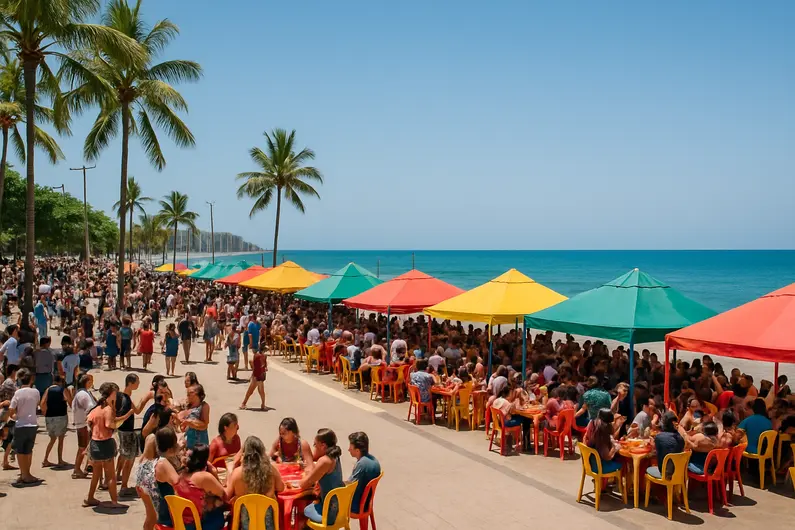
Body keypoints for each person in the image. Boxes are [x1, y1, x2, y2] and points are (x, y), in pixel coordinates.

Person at [84, 382, 133, 508]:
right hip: (105, 444)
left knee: (96, 474)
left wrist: (124, 416)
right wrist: (119, 422)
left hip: (94, 443)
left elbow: (89, 421)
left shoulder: (97, 408)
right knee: (110, 475)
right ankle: (114, 502)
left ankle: (90, 498)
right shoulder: (108, 409)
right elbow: (109, 424)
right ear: (112, 393)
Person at [225, 436, 285, 530]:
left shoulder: (237, 473)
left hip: (246, 526)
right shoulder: (270, 470)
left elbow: (226, 496)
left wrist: (231, 470)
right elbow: (281, 488)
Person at [297, 429, 345, 525]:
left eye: (315, 445)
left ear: (323, 446)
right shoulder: (334, 456)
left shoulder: (325, 461)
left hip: (329, 512)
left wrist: (307, 473)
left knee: (303, 511)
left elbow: (304, 484)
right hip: (340, 506)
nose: (314, 447)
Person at [175, 443, 226, 530]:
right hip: (197, 524)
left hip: (180, 521)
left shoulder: (181, 472)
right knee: (220, 507)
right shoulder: (203, 477)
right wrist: (214, 472)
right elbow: (224, 495)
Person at [116, 373, 152, 496]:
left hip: (122, 432)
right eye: (137, 382)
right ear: (131, 383)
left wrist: (146, 398)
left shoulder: (122, 396)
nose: (139, 384)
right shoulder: (125, 399)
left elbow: (137, 410)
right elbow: (129, 413)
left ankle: (119, 478)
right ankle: (124, 487)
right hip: (127, 433)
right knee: (129, 461)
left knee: (124, 456)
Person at [9, 368, 40, 484]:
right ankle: (27, 473)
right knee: (28, 450)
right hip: (32, 424)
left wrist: (16, 416)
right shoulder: (35, 392)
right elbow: (36, 404)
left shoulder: (17, 393)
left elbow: (12, 409)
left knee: (20, 451)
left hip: (21, 424)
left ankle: (24, 474)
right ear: (31, 380)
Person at [154, 426, 183, 528]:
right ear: (171, 447)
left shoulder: (166, 457)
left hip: (167, 507)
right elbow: (178, 483)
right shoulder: (163, 462)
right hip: (169, 513)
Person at [347, 432, 381, 518]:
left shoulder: (361, 464)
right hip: (367, 503)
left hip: (357, 506)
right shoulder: (374, 460)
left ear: (357, 450)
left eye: (350, 447)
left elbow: (350, 486)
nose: (348, 449)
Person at [40, 373, 71, 468]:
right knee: (61, 439)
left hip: (50, 416)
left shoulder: (48, 390)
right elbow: (69, 401)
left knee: (52, 439)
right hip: (61, 415)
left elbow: (42, 403)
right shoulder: (63, 389)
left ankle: (45, 459)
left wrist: (45, 413)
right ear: (61, 382)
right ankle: (60, 460)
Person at [646, 411, 684, 479]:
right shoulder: (680, 438)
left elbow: (654, 452)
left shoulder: (659, 437)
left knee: (647, 466)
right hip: (679, 473)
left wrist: (652, 444)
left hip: (664, 473)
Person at [583, 408, 624, 473]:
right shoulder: (603, 434)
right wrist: (614, 447)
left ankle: (604, 481)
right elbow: (608, 457)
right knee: (622, 462)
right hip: (599, 467)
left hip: (590, 463)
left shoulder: (593, 424)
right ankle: (619, 482)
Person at [71, 373, 96, 479]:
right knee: (82, 447)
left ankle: (86, 467)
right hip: (84, 424)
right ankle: (77, 469)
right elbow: (90, 408)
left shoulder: (84, 393)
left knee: (86, 447)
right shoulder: (83, 394)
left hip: (83, 423)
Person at [180, 383, 210, 449]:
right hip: (189, 443)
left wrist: (190, 422)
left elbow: (204, 425)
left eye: (190, 392)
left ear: (197, 394)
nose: (187, 394)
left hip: (200, 444)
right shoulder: (188, 406)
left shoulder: (204, 406)